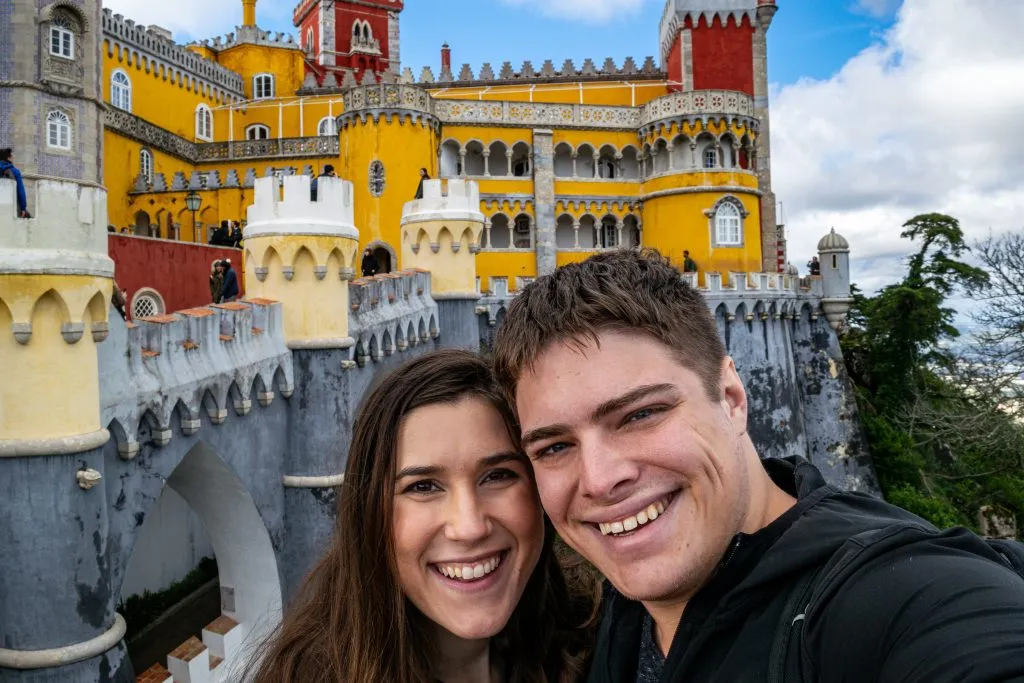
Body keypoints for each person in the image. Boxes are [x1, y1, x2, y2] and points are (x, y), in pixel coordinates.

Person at [491, 249, 1024, 683]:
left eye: (641, 414)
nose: (602, 479)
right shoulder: (617, 611)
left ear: (731, 397)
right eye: (554, 447)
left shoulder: (888, 597)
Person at [244, 350, 596, 683]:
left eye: (498, 475)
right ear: (370, 514)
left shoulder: (605, 643)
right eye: (424, 487)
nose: (469, 527)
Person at [0, 148, 31, 218]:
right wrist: (23, 208)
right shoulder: (15, 171)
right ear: (9, 158)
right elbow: (20, 190)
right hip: (12, 206)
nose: (13, 158)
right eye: (12, 156)